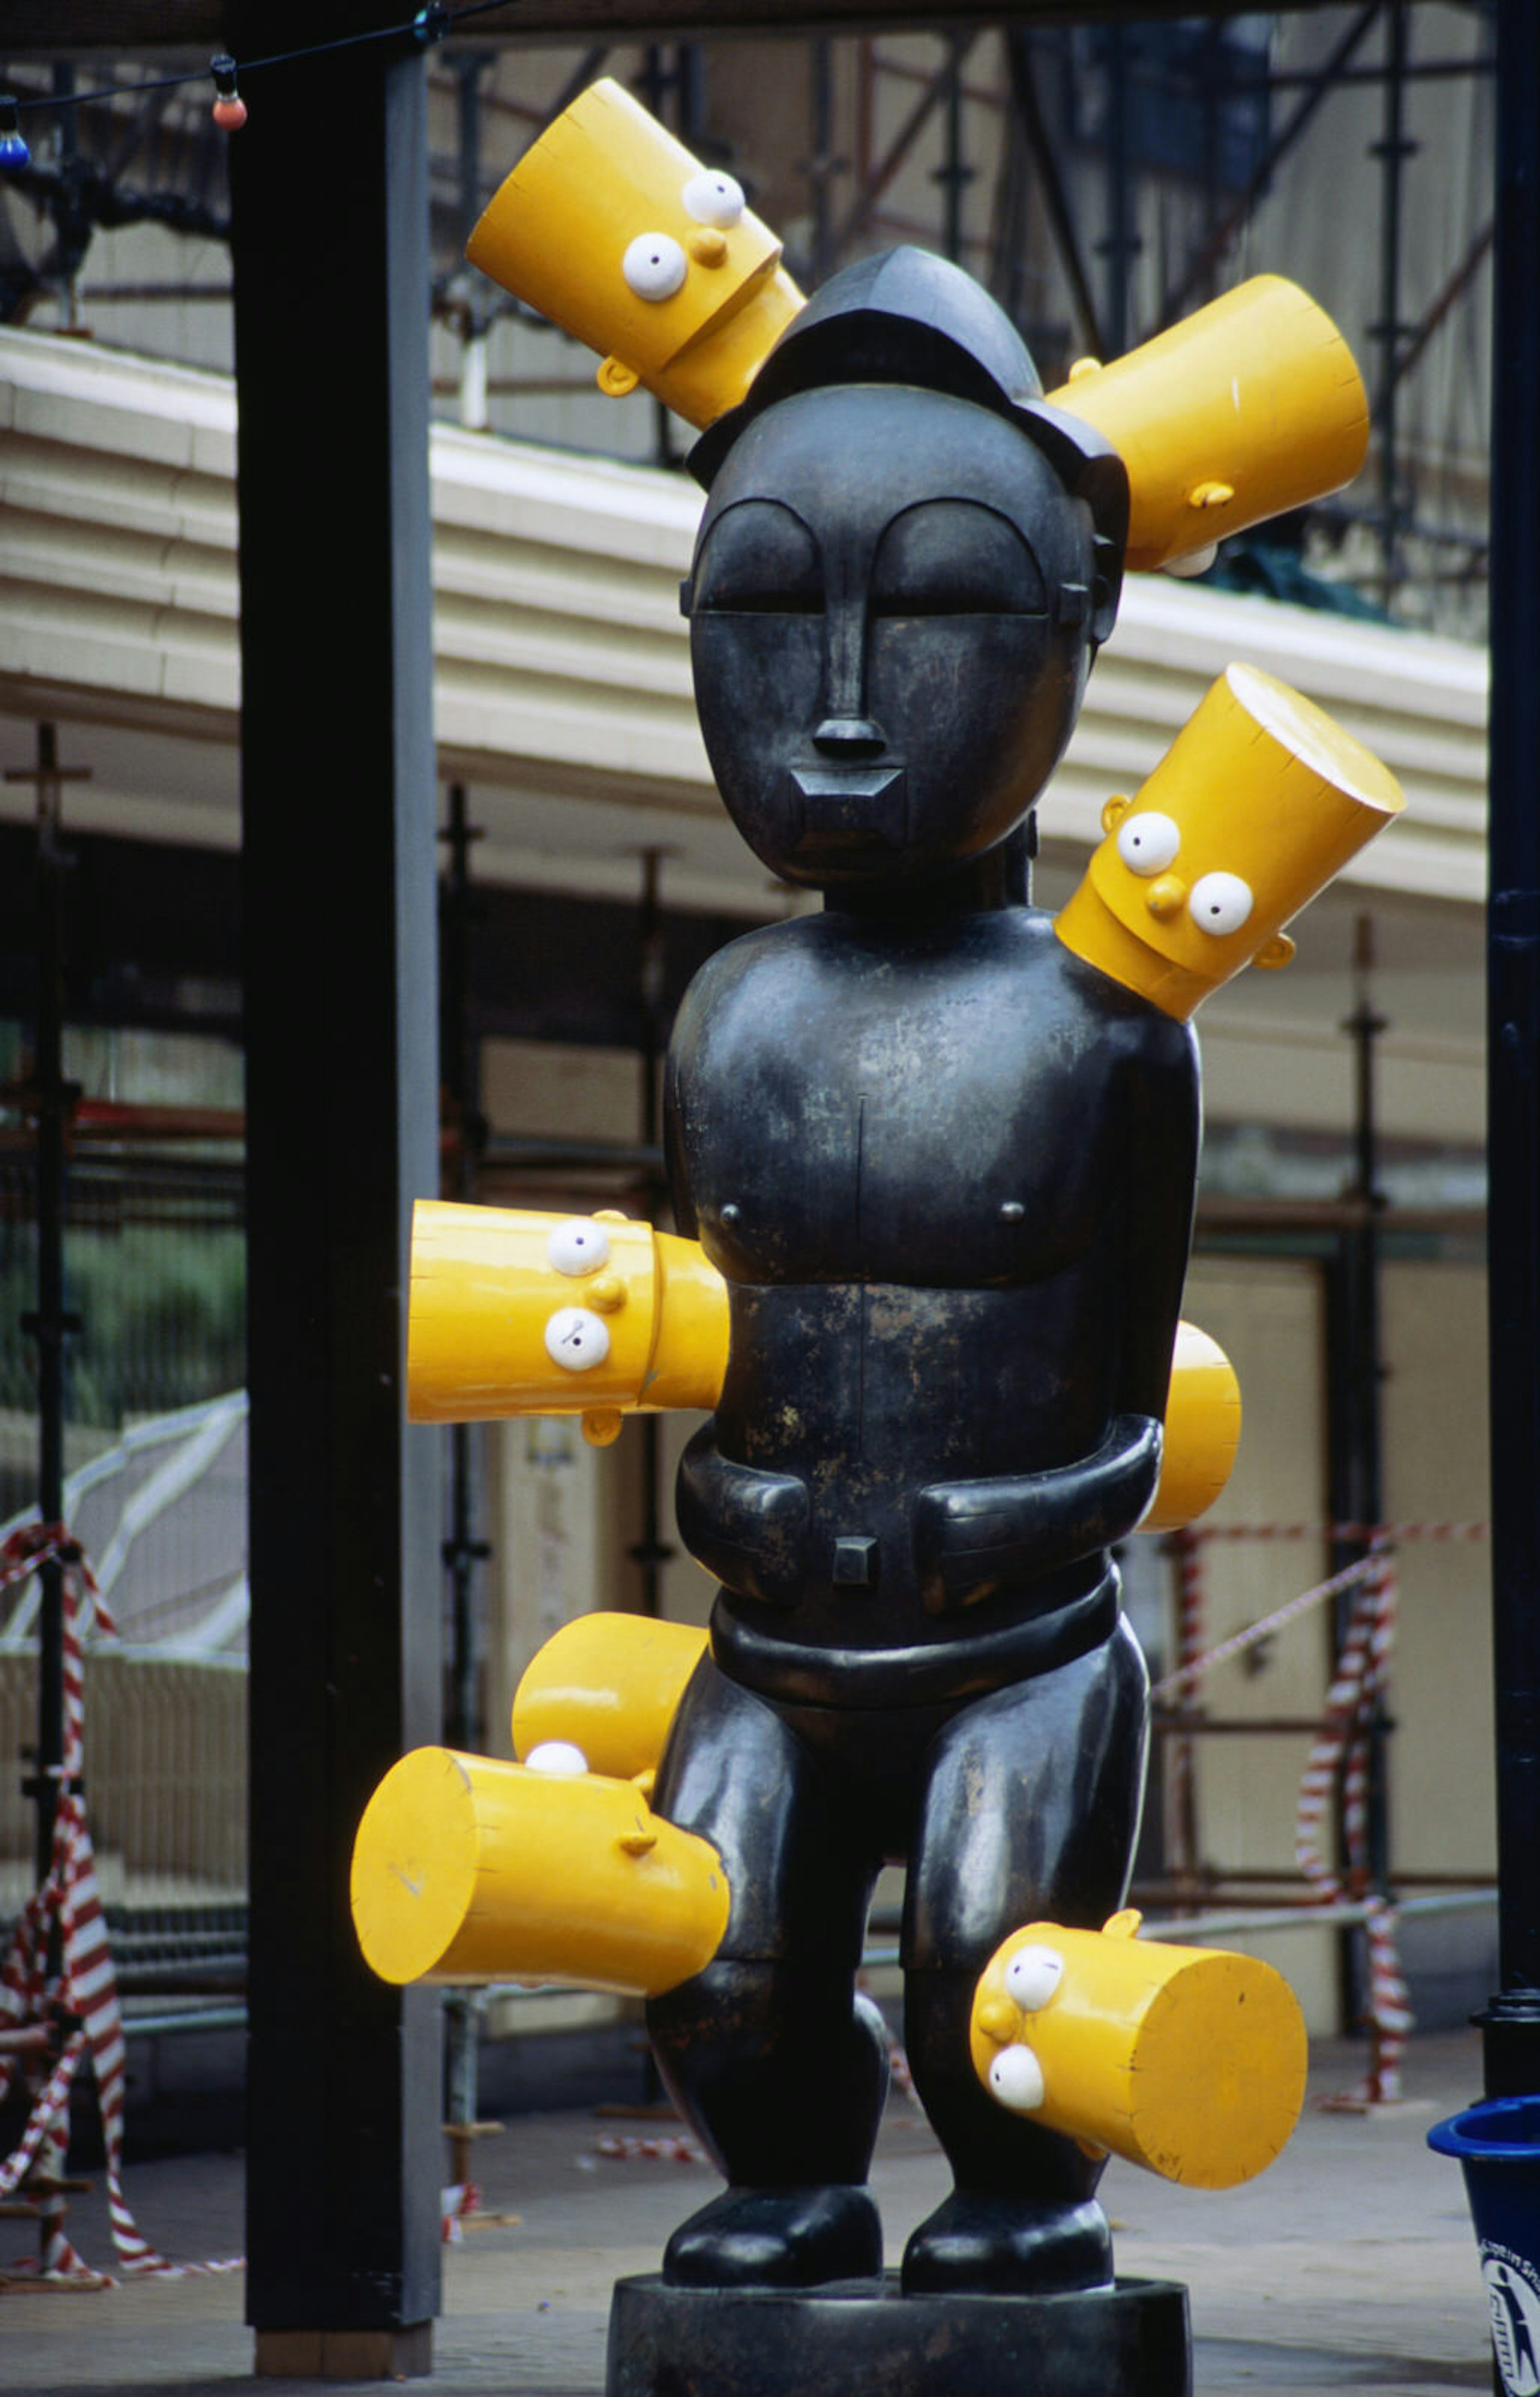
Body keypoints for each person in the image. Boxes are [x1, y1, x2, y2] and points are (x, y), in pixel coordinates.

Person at [643, 247, 1198, 2298]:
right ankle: (792, 2167)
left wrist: (1021, 1520)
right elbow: (701, 1345)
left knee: (998, 1969)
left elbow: (1130, 1400)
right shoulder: (721, 1014)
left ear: (1081, 611)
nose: (852, 696)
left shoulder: (1116, 1030)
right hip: (769, 1634)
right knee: (708, 1945)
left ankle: (1021, 2195)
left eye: (946, 601)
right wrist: (729, 1502)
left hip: (1025, 1633)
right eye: (772, 609)